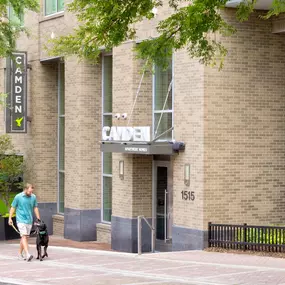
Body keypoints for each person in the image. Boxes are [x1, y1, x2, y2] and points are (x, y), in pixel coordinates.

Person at [8, 183, 41, 262]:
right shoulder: (18, 197)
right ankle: (27, 254)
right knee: (23, 236)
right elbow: (13, 207)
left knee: (25, 238)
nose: (30, 193)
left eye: (31, 191)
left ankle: (19, 254)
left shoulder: (33, 197)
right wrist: (10, 218)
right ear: (25, 189)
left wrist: (38, 218)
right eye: (29, 191)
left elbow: (35, 207)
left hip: (29, 220)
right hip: (20, 220)